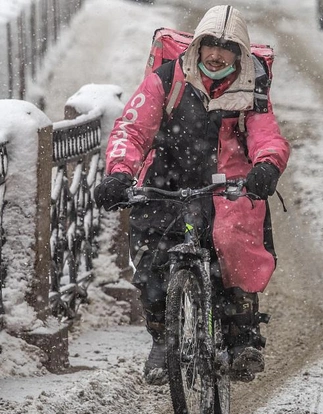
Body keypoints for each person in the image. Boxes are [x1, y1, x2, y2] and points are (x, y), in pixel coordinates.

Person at [94, 5, 290, 385]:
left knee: (233, 241)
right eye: (209, 44)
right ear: (197, 46)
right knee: (153, 258)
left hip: (228, 183)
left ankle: (241, 332)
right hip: (166, 180)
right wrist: (120, 173)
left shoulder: (253, 88)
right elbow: (132, 130)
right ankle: (163, 339)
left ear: (240, 54)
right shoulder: (166, 80)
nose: (216, 53)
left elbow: (267, 135)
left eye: (226, 46)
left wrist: (266, 165)